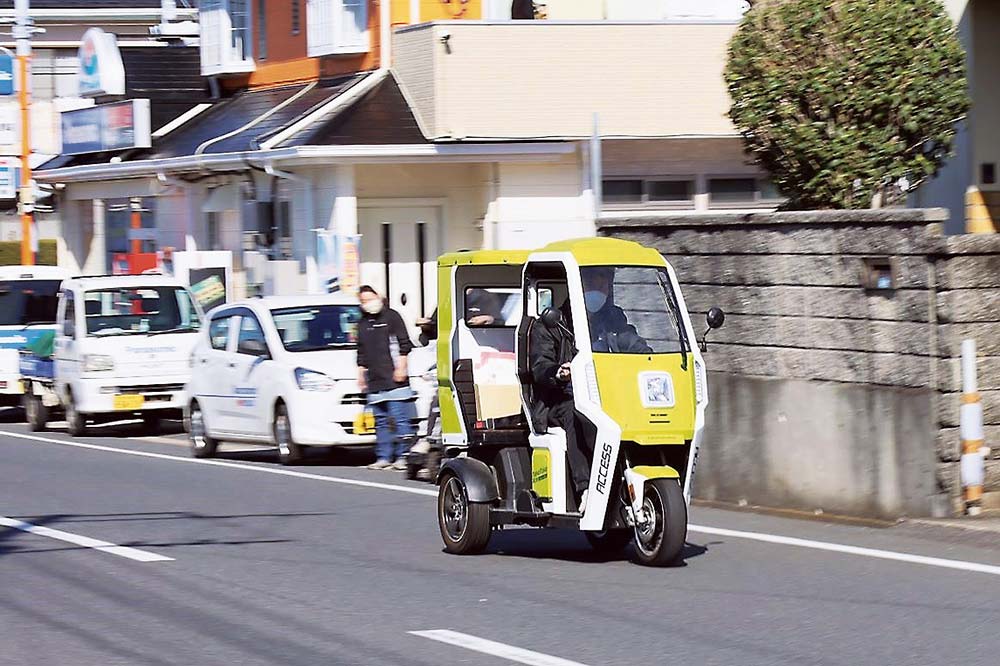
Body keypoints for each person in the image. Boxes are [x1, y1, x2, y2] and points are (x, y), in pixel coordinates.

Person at [528, 295, 594, 511]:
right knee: (576, 411)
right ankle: (585, 488)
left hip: (603, 394)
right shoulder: (551, 324)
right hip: (556, 398)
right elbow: (540, 366)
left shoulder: (611, 318)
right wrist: (558, 372)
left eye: (605, 280)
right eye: (595, 280)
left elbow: (631, 341)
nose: (600, 286)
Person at [357, 285, 417, 471]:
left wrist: (402, 367)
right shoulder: (362, 323)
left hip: (394, 377)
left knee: (399, 418)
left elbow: (403, 344)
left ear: (379, 296)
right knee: (380, 421)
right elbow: (361, 352)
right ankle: (383, 456)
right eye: (363, 301)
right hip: (374, 379)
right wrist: (361, 374)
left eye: (370, 298)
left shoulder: (392, 317)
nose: (368, 303)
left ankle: (403, 456)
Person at [580, 268, 652, 354]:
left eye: (602, 288)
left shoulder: (612, 316)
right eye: (591, 286)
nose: (598, 293)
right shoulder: (562, 320)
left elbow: (629, 339)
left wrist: (648, 356)